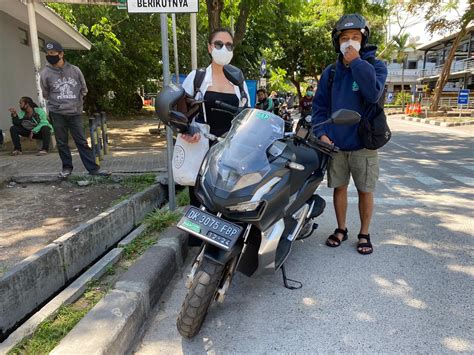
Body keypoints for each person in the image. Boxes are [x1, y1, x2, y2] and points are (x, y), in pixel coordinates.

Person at [312, 13, 387, 255]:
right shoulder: (331, 73)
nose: (350, 42)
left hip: (364, 142)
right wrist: (322, 134)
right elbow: (319, 107)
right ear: (337, 41)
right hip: (336, 143)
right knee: (339, 187)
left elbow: (373, 93)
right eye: (345, 38)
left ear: (364, 40)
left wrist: (356, 62)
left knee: (366, 189)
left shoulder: (375, 66)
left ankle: (364, 233)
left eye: (356, 37)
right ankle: (341, 229)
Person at [181, 28, 250, 209]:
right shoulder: (197, 77)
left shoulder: (238, 81)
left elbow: (248, 115)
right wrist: (186, 131)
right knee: (198, 203)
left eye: (228, 45)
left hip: (231, 153)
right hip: (201, 149)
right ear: (210, 48)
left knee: (228, 204)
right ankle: (195, 238)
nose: (224, 49)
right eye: (219, 44)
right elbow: (180, 111)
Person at [40, 41, 110, 178]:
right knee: (61, 142)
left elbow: (84, 90)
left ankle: (94, 169)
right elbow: (45, 94)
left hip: (75, 112)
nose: (50, 56)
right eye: (48, 54)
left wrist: (75, 104)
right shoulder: (45, 73)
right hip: (57, 113)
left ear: (61, 54)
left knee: (82, 142)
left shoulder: (75, 70)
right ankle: (66, 168)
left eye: (53, 53)